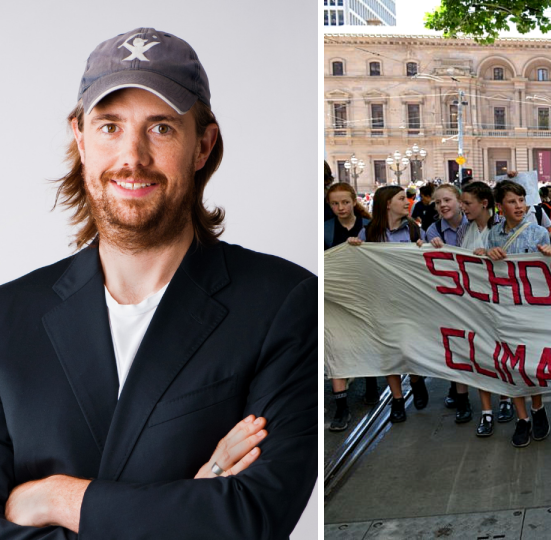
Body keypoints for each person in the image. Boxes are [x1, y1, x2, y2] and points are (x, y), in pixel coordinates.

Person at [0, 28, 316, 537]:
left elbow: (251, 518)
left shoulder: (281, 301)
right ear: (80, 138)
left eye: (162, 128)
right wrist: (199, 491)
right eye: (109, 127)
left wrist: (51, 497)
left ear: (202, 145)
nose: (133, 156)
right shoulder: (8, 315)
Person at [477, 181, 551, 448]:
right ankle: (522, 418)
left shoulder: (538, 233)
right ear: (500, 206)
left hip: (532, 310)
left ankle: (537, 407)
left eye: (521, 200)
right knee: (512, 364)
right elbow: (489, 269)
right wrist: (488, 254)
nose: (519, 205)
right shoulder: (494, 234)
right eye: (512, 201)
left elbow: (549, 274)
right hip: (505, 309)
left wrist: (548, 256)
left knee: (532, 364)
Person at [350, 185, 429, 422]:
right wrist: (353, 248)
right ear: (387, 204)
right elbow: (360, 267)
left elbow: (427, 263)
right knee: (388, 351)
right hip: (381, 301)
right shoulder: (369, 233)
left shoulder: (414, 231)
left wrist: (423, 249)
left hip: (409, 301)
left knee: (409, 347)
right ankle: (396, 399)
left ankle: (415, 379)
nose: (407, 203)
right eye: (402, 199)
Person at [458, 182, 515, 436]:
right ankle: (486, 411)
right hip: (474, 302)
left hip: (500, 302)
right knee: (480, 354)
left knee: (501, 352)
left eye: (467, 203)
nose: (463, 207)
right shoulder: (466, 229)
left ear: (484, 203)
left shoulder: (501, 229)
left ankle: (505, 398)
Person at [325, 183, 378, 431]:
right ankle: (342, 408)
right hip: (334, 298)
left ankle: (371, 384)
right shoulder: (325, 229)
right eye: (334, 204)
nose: (340, 208)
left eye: (345, 202)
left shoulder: (369, 227)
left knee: (365, 340)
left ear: (354, 200)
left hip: (364, 294)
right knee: (335, 348)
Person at [424, 184, 473, 424]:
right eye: (437, 202)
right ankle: (460, 394)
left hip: (475, 296)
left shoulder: (473, 224)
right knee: (456, 345)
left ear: (459, 202)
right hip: (450, 297)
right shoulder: (433, 230)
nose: (442, 205)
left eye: (447, 200)